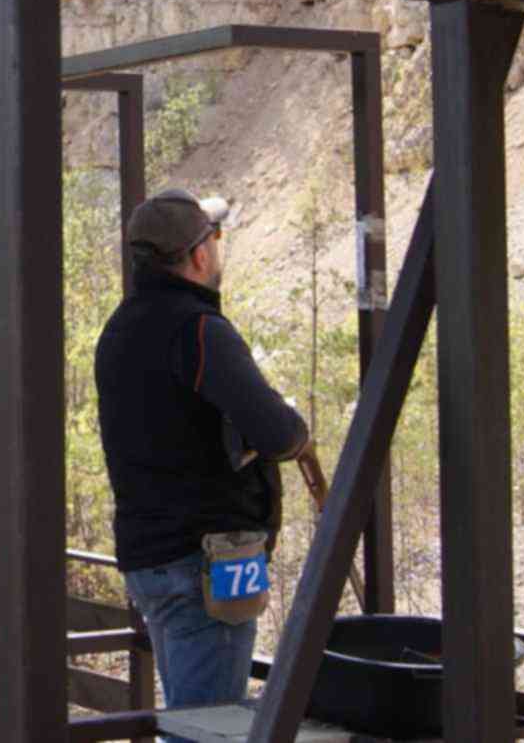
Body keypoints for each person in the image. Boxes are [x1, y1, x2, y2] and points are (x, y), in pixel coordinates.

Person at [93, 190, 310, 728]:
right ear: (198, 255)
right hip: (211, 561)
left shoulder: (120, 330)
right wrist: (285, 427)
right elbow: (281, 434)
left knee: (192, 719)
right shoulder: (197, 330)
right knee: (209, 727)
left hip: (151, 558)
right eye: (215, 239)